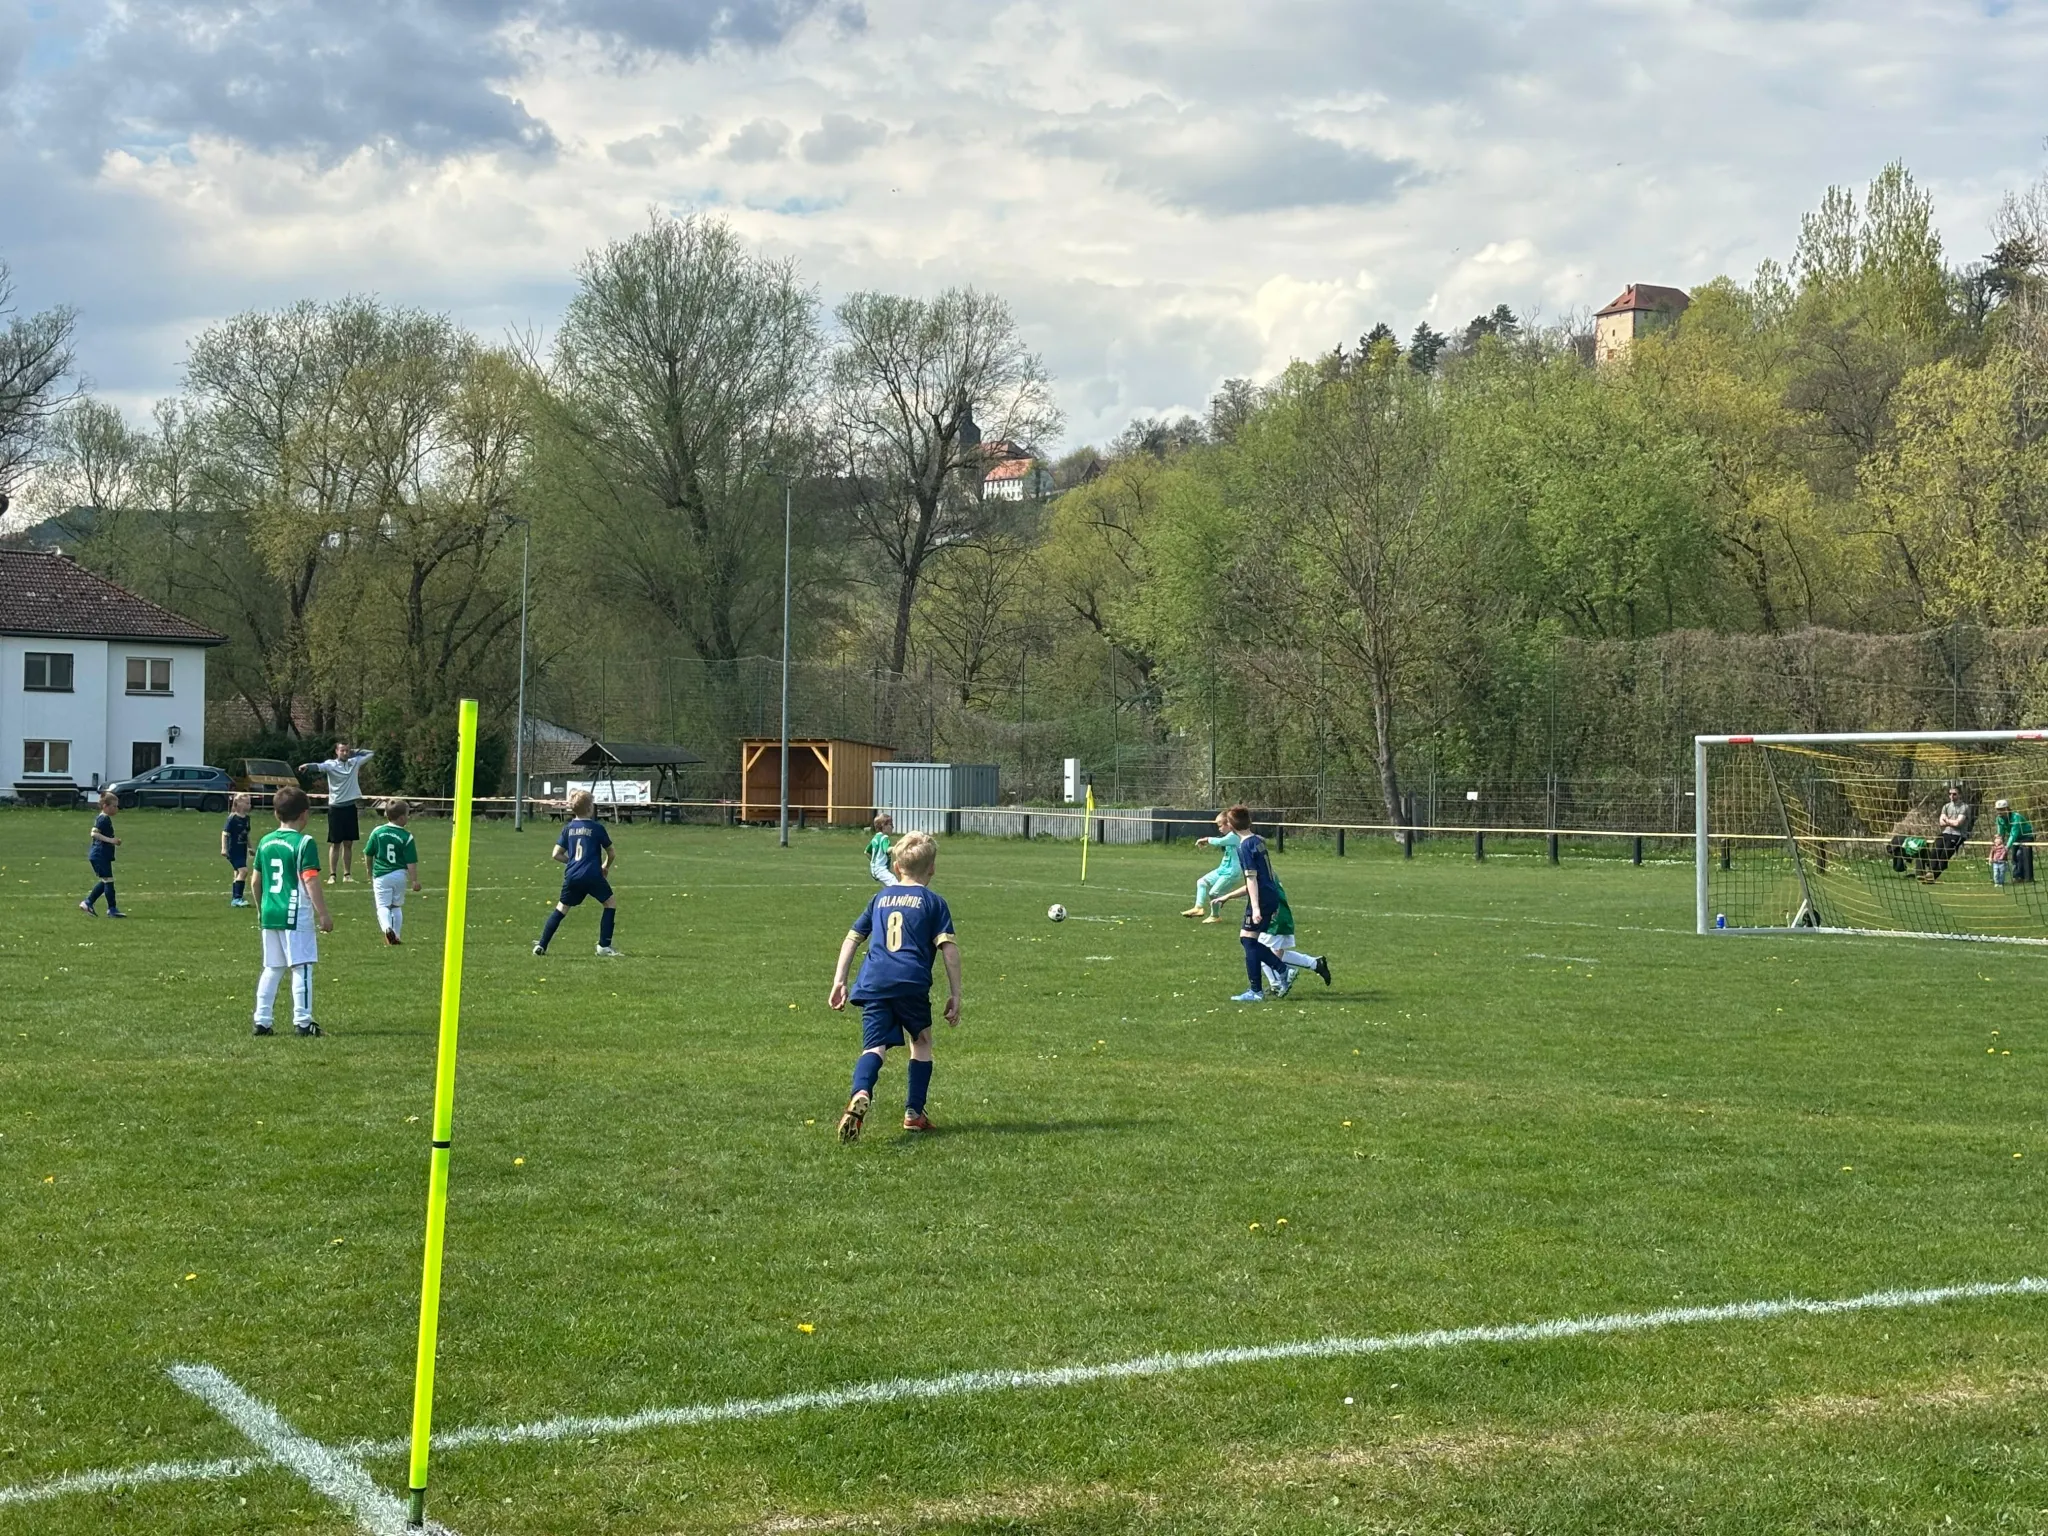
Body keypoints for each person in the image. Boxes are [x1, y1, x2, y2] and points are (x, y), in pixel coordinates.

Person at [827, 831, 960, 1141]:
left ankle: (861, 1092)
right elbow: (948, 949)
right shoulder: (933, 902)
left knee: (874, 1047)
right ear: (932, 868)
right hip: (911, 982)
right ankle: (914, 1113)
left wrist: (839, 980)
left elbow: (853, 938)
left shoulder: (880, 899)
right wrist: (956, 994)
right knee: (921, 1041)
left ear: (897, 867)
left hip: (873, 981)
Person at [252, 785, 333, 1037]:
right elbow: (310, 879)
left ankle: (262, 1021)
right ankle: (303, 1022)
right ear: (304, 814)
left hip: (270, 912)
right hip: (294, 912)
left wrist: (261, 909)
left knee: (272, 967)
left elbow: (255, 881)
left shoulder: (265, 841)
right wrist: (323, 913)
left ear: (276, 813)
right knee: (302, 966)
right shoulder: (304, 842)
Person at [534, 789, 619, 957]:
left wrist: (572, 862)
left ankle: (541, 945)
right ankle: (604, 946)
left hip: (572, 876)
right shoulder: (597, 828)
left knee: (561, 908)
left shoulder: (568, 828)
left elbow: (556, 854)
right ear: (590, 808)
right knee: (610, 904)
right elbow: (611, 853)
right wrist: (605, 867)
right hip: (592, 875)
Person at [1218, 874, 1332, 997]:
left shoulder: (1258, 868)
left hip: (1274, 915)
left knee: (1260, 949)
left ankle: (1277, 984)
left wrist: (1230, 896)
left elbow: (1254, 885)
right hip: (1276, 912)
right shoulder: (1265, 869)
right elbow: (1252, 886)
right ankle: (1314, 963)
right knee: (1271, 952)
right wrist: (1229, 896)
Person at [1222, 804, 1284, 1002]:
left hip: (1262, 898)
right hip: (1271, 894)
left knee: (1248, 941)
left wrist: (1255, 908)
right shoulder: (1258, 840)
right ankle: (1271, 978)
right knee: (1249, 940)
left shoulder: (1245, 846)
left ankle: (1261, 987)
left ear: (1231, 826)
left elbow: (1251, 878)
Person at [297, 741, 375, 883]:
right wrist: (306, 766)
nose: (345, 753)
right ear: (336, 751)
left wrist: (355, 751)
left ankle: (347, 875)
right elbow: (318, 766)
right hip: (336, 809)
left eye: (347, 750)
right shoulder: (331, 765)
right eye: (342, 750)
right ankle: (332, 875)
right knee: (335, 843)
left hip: (350, 808)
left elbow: (371, 754)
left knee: (348, 843)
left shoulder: (354, 762)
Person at [364, 800, 422, 945]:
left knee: (383, 906)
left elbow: (368, 853)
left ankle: (387, 928)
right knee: (396, 906)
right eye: (407, 815)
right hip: (399, 875)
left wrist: (369, 870)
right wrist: (414, 880)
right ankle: (396, 935)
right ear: (401, 818)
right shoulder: (406, 836)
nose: (408, 818)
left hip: (381, 875)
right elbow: (411, 862)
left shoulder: (377, 832)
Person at [1181, 812, 1243, 921]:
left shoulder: (1234, 836)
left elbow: (1220, 841)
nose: (1219, 829)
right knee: (1202, 882)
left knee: (1214, 893)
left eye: (1220, 826)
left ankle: (1215, 916)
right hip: (1223, 869)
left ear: (1229, 824)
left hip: (1232, 872)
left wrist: (1206, 839)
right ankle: (1198, 908)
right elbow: (1220, 840)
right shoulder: (1230, 836)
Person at [79, 789, 125, 918]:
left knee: (107, 881)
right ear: (105, 806)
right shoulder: (103, 819)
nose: (116, 809)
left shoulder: (105, 818)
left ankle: (92, 903)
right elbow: (94, 833)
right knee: (108, 881)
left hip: (103, 854)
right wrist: (111, 840)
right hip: (100, 855)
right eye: (114, 806)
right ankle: (109, 908)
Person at [1921, 784, 1972, 882]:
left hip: (1958, 835)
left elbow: (1958, 823)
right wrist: (1950, 822)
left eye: (1954, 794)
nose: (1951, 796)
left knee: (1944, 855)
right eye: (1950, 794)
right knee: (1935, 850)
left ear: (1960, 795)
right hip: (1946, 833)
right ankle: (1930, 873)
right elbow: (1941, 822)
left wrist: (1947, 821)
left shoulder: (1964, 807)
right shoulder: (1946, 806)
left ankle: (1932, 876)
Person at [222, 793, 253, 907]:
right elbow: (225, 834)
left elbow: (246, 834)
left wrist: (250, 847)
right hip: (233, 849)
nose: (249, 805)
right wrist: (224, 848)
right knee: (243, 871)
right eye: (247, 803)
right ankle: (237, 898)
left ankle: (236, 897)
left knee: (238, 873)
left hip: (242, 849)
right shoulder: (232, 818)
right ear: (238, 803)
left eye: (249, 803)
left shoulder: (247, 819)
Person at [1996, 798, 2036, 885]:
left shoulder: (2015, 817)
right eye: (1998, 810)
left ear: (2007, 809)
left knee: (2021, 854)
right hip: (2016, 838)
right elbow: (2000, 833)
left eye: (2001, 810)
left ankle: (2028, 878)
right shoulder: (1999, 819)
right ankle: (2017, 877)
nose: (1999, 812)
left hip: (2026, 836)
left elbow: (2014, 834)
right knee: (2014, 856)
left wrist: (2007, 848)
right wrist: (1999, 844)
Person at [866, 813, 896, 885]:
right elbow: (887, 850)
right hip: (881, 869)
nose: (893, 827)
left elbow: (867, 852)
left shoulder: (875, 838)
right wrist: (896, 848)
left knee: (888, 886)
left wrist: (874, 862)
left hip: (874, 869)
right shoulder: (884, 838)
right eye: (890, 825)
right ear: (883, 826)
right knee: (895, 884)